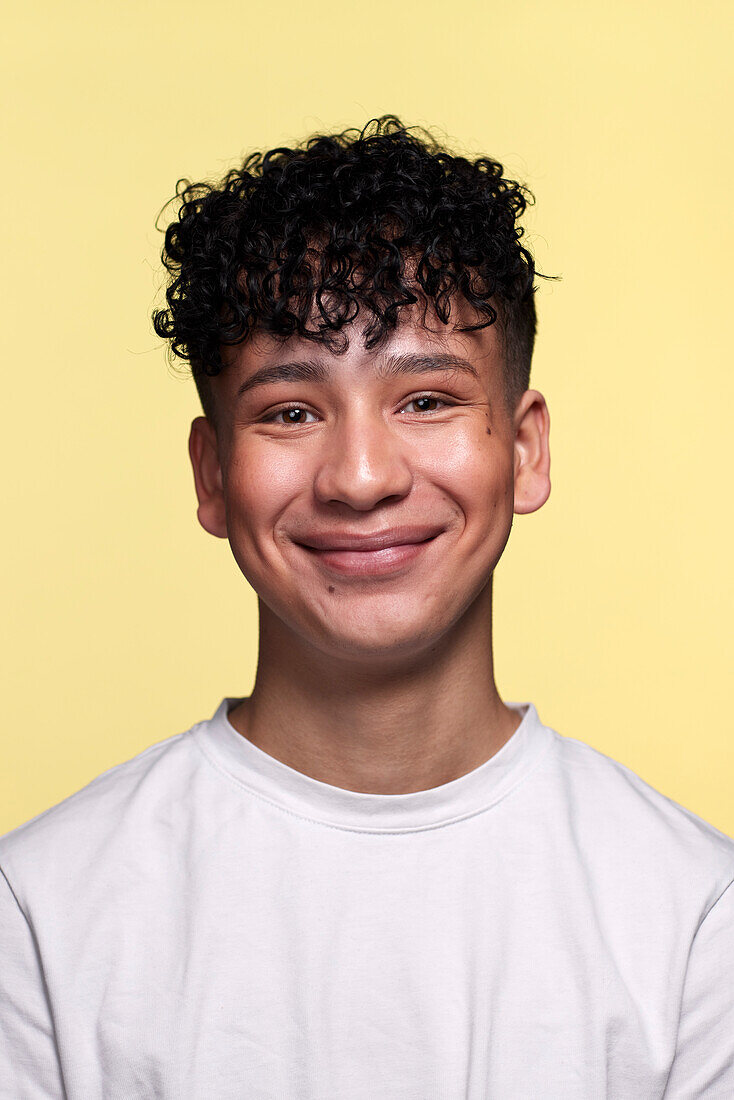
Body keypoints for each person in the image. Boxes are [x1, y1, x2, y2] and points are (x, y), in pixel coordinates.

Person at [1, 115, 732, 1098]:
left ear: (522, 450)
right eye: (290, 410)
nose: (357, 476)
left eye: (424, 399)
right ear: (212, 474)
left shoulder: (693, 917)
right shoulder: (39, 914)